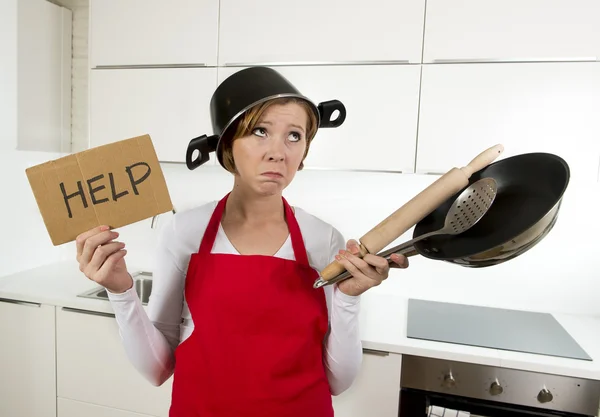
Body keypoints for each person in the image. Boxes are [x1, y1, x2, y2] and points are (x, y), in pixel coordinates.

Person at [75, 67, 409, 417]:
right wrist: (120, 290)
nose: (278, 152)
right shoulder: (184, 231)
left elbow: (338, 381)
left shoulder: (322, 239)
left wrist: (348, 299)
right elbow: (157, 369)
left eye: (294, 136)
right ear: (228, 146)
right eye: (260, 132)